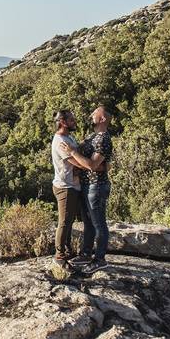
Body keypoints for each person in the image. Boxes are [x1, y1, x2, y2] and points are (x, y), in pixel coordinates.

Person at [61, 106, 114, 274]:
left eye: (95, 113)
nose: (91, 114)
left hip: (96, 186)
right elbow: (93, 163)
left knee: (99, 224)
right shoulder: (93, 136)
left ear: (103, 119)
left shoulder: (104, 139)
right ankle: (86, 254)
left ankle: (100, 260)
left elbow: (92, 164)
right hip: (86, 185)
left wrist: (71, 153)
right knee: (88, 223)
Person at [50, 109, 83, 265]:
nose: (74, 121)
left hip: (72, 185)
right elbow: (76, 162)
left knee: (69, 221)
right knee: (64, 221)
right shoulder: (61, 142)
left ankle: (68, 250)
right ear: (62, 122)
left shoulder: (68, 137)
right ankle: (59, 255)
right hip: (65, 187)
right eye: (71, 119)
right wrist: (92, 165)